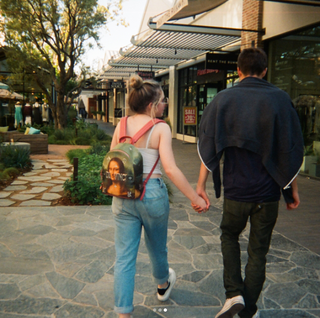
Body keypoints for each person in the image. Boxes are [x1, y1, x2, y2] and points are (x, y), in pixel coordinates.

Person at [195, 48, 304, 318]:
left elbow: (208, 145)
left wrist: (200, 186)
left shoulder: (223, 99)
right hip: (268, 195)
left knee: (229, 235)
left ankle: (233, 295)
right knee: (258, 252)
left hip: (236, 192)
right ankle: (249, 310)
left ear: (239, 71)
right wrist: (292, 191)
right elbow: (290, 149)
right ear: (265, 71)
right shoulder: (281, 100)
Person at [110, 75, 208, 318]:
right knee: (157, 247)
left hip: (122, 195)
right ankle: (163, 284)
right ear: (152, 105)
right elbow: (171, 169)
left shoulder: (121, 125)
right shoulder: (161, 127)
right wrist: (194, 198)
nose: (165, 105)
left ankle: (123, 314)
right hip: (151, 193)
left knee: (124, 257)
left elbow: (113, 158)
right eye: (163, 101)